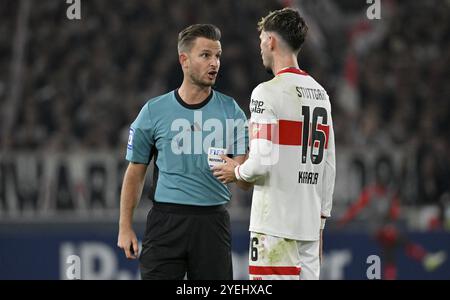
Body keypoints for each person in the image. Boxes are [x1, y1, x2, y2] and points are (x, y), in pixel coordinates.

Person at [117, 24, 249, 280]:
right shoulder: (153, 111)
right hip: (166, 222)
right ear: (184, 60)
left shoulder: (232, 111)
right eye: (206, 55)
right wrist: (125, 227)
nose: (215, 63)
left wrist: (240, 172)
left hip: (213, 222)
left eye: (218, 56)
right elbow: (135, 172)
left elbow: (243, 178)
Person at [213, 8, 336, 280]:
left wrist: (235, 171)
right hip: (309, 225)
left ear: (271, 41)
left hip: (275, 226)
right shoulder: (320, 94)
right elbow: (329, 164)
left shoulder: (266, 92)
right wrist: (320, 225)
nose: (259, 49)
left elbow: (260, 163)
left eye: (260, 41)